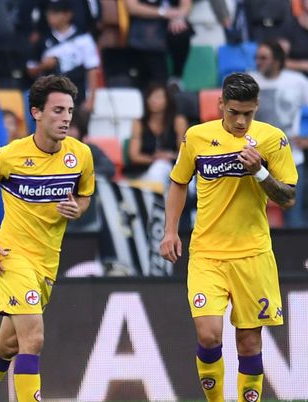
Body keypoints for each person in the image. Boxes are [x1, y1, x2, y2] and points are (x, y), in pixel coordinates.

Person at [159, 73, 297, 402]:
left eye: (248, 113)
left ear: (257, 107)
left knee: (249, 343)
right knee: (208, 335)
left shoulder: (272, 139)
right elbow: (178, 182)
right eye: (234, 112)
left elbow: (288, 197)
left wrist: (260, 172)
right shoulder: (197, 137)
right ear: (220, 104)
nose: (241, 121)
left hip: (253, 254)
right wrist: (169, 231)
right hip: (207, 253)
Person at [0, 75, 95, 401]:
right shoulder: (9, 156)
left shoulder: (80, 156)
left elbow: (85, 195)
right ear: (36, 112)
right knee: (33, 338)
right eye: (57, 110)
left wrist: (77, 209)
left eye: (69, 111)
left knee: (8, 344)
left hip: (47, 261)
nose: (65, 119)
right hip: (11, 254)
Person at [250, 40, 308, 228]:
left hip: (292, 157)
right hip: (255, 158)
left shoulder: (297, 81)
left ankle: (299, 257)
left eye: (263, 58)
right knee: (252, 215)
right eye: (256, 57)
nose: (258, 62)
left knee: (294, 214)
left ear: (277, 60)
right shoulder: (250, 80)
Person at [26, 0, 100, 110]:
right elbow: (31, 69)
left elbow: (92, 70)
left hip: (77, 99)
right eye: (49, 13)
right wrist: (44, 66)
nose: (51, 17)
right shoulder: (42, 40)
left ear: (68, 15)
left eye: (56, 13)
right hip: (50, 100)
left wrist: (91, 100)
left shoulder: (83, 39)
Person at [124, 82, 187, 185]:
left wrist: (170, 156)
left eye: (157, 97)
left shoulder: (178, 121)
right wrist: (155, 159)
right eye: (150, 97)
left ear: (167, 100)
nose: (152, 100)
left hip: (174, 165)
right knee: (159, 167)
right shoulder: (139, 123)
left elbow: (185, 152)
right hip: (144, 169)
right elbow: (134, 155)